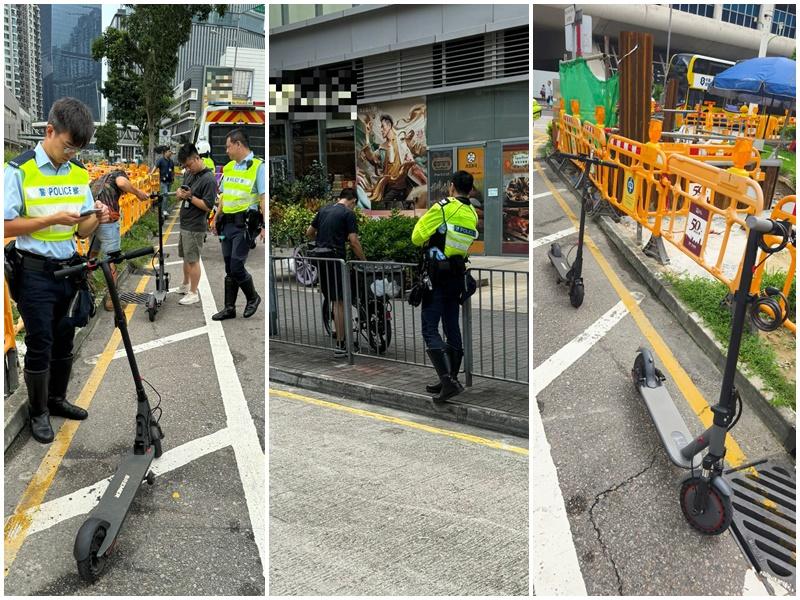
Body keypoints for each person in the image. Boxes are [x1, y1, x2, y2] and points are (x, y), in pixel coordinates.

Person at [3, 97, 111, 444]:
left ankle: (57, 399)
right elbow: (6, 226)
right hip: (34, 272)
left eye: (76, 149)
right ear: (49, 131)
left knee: (65, 338)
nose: (71, 154)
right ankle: (38, 414)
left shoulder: (78, 173)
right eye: (67, 146)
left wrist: (98, 217)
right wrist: (50, 219)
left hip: (70, 269)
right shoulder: (18, 170)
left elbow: (80, 230)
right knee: (40, 343)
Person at [411, 170, 479, 405]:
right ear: (470, 190)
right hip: (457, 277)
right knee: (452, 326)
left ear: (451, 187)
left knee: (429, 329)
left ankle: (448, 381)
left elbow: (416, 237)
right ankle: (448, 378)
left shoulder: (442, 208)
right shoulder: (472, 213)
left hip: (437, 276)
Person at [211, 129, 265, 320]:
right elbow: (224, 196)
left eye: (228, 146)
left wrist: (265, 225)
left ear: (238, 144)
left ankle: (253, 297)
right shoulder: (229, 168)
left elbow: (263, 198)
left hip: (244, 225)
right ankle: (229, 308)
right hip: (227, 224)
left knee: (236, 265)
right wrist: (216, 218)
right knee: (229, 267)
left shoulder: (258, 167)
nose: (226, 150)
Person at [306, 188, 366, 357]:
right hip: (337, 260)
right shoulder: (348, 214)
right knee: (340, 302)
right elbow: (354, 241)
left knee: (333, 300)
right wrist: (364, 261)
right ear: (352, 201)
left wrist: (323, 239)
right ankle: (341, 345)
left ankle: (341, 340)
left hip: (322, 261)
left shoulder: (324, 210)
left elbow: (309, 233)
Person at [88, 167, 151, 310]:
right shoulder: (118, 175)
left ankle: (87, 287)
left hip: (92, 219)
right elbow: (122, 183)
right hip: (108, 220)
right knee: (110, 260)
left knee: (92, 255)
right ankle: (112, 300)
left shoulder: (99, 180)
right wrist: (138, 192)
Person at [175, 143, 216, 305]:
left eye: (189, 165)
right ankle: (185, 285)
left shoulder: (209, 179)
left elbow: (207, 205)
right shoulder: (190, 174)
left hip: (195, 226)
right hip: (185, 223)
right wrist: (180, 194)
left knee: (193, 259)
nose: (187, 168)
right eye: (185, 166)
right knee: (185, 256)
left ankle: (193, 292)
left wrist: (190, 197)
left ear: (197, 158)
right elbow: (182, 191)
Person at [150, 146, 174, 215]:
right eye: (168, 151)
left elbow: (172, 171)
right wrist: (151, 173)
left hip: (169, 181)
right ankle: (163, 211)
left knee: (167, 196)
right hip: (163, 182)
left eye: (170, 151)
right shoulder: (161, 160)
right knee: (165, 195)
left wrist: (173, 178)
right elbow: (155, 167)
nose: (170, 153)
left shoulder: (171, 161)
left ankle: (166, 209)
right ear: (164, 153)